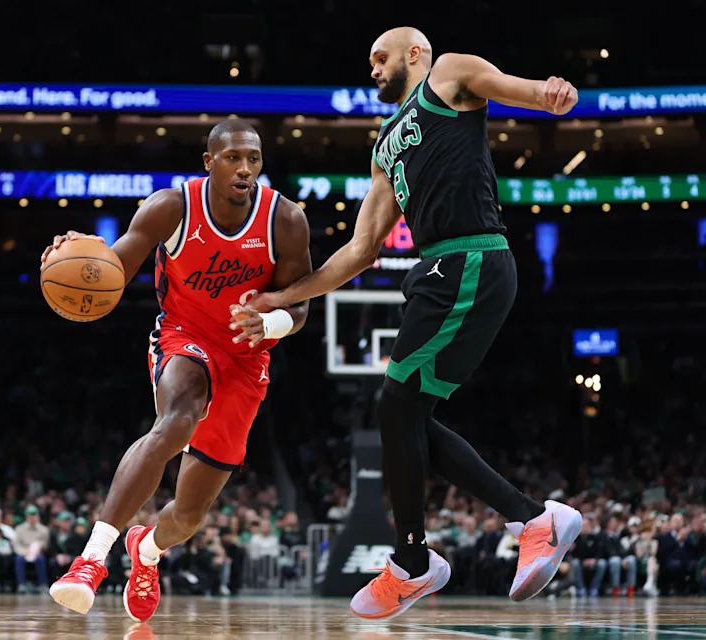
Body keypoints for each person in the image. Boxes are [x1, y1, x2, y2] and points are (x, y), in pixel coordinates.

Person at [248, 26, 583, 618]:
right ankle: (525, 521)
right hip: (438, 271)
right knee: (404, 415)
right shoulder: (384, 146)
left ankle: (420, 560)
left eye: (380, 57)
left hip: (470, 257)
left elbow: (520, 89)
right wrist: (284, 297)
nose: (373, 69)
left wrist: (551, 93)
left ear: (414, 53)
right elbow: (359, 251)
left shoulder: (448, 73)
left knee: (397, 408)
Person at [42, 118, 312, 622]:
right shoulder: (171, 207)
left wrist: (271, 321)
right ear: (209, 163)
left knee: (188, 517)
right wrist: (81, 257)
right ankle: (91, 561)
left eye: (253, 159)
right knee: (176, 420)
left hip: (247, 355)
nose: (245, 168)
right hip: (183, 335)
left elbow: (300, 308)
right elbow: (113, 268)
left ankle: (145, 550)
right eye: (233, 158)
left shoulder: (286, 220)